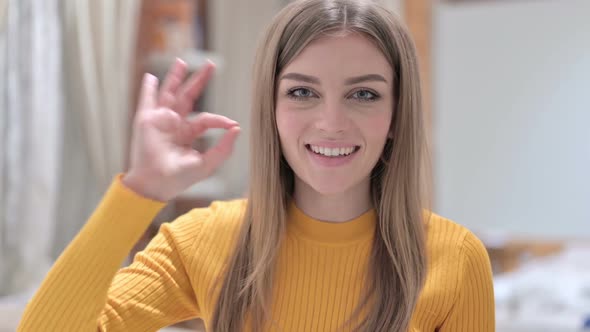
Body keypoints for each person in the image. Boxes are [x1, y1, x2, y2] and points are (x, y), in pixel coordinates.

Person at [18, 0, 495, 331]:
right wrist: (139, 190)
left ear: (396, 115)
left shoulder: (456, 258)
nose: (331, 123)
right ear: (271, 108)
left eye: (363, 94)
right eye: (302, 92)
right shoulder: (203, 239)